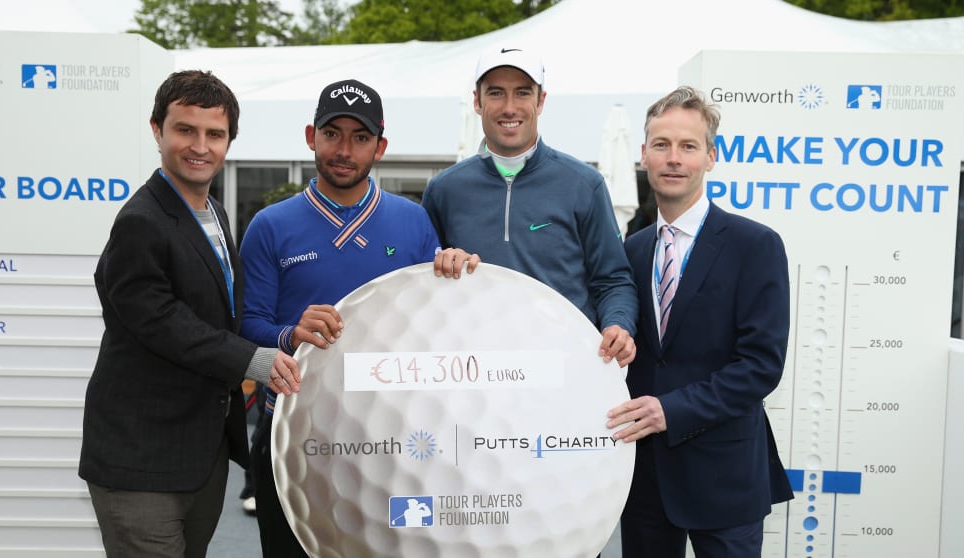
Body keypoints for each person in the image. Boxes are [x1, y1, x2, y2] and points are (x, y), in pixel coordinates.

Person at [239, 78, 472, 557]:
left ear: (380, 147)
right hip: (293, 432)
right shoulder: (270, 225)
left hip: (391, 437)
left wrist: (455, 272)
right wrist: (290, 334)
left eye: (360, 138)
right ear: (311, 136)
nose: (344, 150)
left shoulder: (412, 221)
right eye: (332, 134)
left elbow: (433, 319)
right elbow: (247, 325)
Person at [78, 70, 301, 558]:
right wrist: (254, 360)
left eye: (214, 134)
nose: (200, 146)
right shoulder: (141, 222)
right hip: (141, 462)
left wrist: (288, 335)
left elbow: (220, 312)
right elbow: (159, 320)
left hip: (199, 456)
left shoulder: (215, 214)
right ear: (157, 130)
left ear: (228, 141)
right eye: (185, 130)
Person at [606, 86, 794, 557]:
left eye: (688, 146)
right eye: (662, 145)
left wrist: (671, 411)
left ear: (711, 157)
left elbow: (760, 366)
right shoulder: (630, 250)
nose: (674, 158)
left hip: (726, 478)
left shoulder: (756, 245)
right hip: (645, 482)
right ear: (643, 154)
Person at [422, 45, 637, 368]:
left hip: (564, 367)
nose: (510, 108)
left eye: (522, 93)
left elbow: (613, 279)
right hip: (473, 374)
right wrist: (440, 263)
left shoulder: (584, 183)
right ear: (477, 102)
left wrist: (617, 324)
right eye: (496, 93)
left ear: (541, 101)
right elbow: (424, 284)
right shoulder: (444, 190)